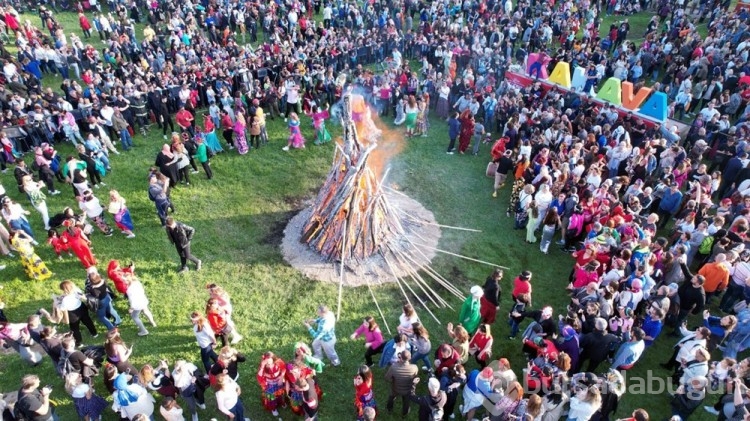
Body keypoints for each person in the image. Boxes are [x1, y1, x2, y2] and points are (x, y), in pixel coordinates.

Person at [57, 280, 98, 345]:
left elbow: (62, 308)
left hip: (72, 313)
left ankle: (79, 342)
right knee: (88, 321)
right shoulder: (76, 290)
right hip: (82, 308)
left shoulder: (65, 300)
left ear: (65, 290)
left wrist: (58, 303)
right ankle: (94, 333)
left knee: (75, 328)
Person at [384, 350, 418, 417]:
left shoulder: (394, 367)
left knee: (391, 397)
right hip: (407, 390)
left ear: (401, 358)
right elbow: (415, 377)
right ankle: (404, 413)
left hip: (395, 389)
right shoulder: (414, 367)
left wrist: (393, 379)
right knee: (406, 401)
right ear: (410, 358)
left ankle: (389, 409)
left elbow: (386, 378)